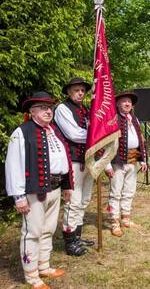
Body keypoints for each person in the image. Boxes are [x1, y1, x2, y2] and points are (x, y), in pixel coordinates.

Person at [5, 91, 73, 289]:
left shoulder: (55, 131)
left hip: (55, 188)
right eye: (43, 108)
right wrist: (19, 196)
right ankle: (32, 276)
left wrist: (67, 185)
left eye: (50, 107)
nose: (48, 111)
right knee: (32, 232)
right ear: (32, 111)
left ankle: (44, 266)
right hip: (34, 191)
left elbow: (64, 159)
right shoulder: (22, 132)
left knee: (48, 230)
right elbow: (13, 165)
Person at [54, 77, 95, 257]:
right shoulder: (62, 109)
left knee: (84, 200)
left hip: (87, 160)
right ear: (69, 91)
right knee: (74, 201)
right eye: (76, 90)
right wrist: (97, 135)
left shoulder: (85, 110)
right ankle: (70, 242)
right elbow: (74, 134)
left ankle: (77, 237)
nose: (80, 93)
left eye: (82, 90)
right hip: (73, 160)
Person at [105, 91, 147, 237]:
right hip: (117, 162)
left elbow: (140, 141)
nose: (127, 104)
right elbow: (105, 143)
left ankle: (125, 219)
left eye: (129, 102)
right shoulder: (113, 119)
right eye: (124, 101)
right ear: (118, 104)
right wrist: (107, 165)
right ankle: (114, 223)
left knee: (129, 191)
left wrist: (143, 159)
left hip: (133, 160)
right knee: (115, 192)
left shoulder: (134, 118)